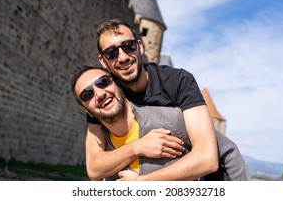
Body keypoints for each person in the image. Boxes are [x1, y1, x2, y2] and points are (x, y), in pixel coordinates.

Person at [85, 18, 250, 181]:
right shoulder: (106, 94)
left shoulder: (178, 81)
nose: (122, 57)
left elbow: (207, 157)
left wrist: (141, 183)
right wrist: (137, 147)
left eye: (128, 46)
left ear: (140, 47)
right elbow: (94, 169)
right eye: (111, 53)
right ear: (103, 61)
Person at [71, 63, 201, 180]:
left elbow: (215, 154)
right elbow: (93, 170)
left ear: (117, 84)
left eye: (103, 82)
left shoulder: (169, 120)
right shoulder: (102, 138)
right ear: (86, 110)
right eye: (87, 94)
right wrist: (137, 147)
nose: (99, 94)